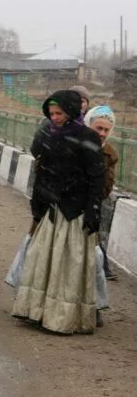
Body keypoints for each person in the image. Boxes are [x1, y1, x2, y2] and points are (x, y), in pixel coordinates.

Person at [12, 90, 104, 334]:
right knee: (41, 260)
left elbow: (96, 178)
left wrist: (93, 211)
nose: (54, 117)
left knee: (68, 265)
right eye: (51, 113)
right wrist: (38, 205)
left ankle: (62, 317)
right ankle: (38, 311)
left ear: (71, 112)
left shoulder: (88, 137)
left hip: (75, 212)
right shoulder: (48, 135)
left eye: (59, 113)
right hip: (52, 209)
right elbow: (42, 172)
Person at [85, 105, 119, 281]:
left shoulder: (109, 154)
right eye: (99, 128)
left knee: (88, 262)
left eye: (107, 129)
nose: (103, 133)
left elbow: (106, 188)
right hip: (65, 211)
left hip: (89, 214)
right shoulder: (74, 144)